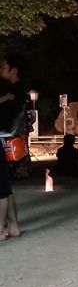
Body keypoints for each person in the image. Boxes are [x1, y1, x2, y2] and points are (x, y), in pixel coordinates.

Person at [0, 54, 27, 241]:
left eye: (3, 67)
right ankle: (14, 225)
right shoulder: (13, 91)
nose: (1, 70)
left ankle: (1, 229)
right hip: (7, 141)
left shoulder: (15, 93)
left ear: (14, 70)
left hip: (4, 139)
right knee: (4, 187)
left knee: (1, 188)